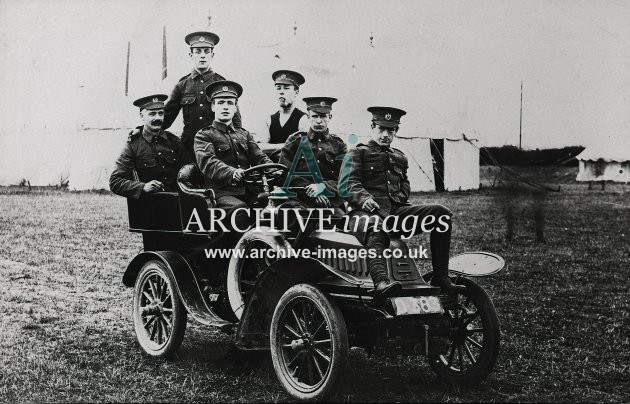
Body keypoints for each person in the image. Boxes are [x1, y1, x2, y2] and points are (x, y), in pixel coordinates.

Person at [339, 106, 465, 297]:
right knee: (375, 226)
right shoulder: (357, 153)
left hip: (395, 215)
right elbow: (347, 184)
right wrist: (365, 199)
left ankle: (441, 277)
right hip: (363, 215)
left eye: (391, 131)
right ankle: (381, 282)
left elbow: (404, 185)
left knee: (442, 214)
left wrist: (400, 198)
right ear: (372, 127)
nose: (385, 135)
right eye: (381, 129)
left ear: (396, 131)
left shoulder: (399, 157)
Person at [194, 80, 272, 234]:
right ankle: (240, 254)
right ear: (213, 106)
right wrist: (232, 173)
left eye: (230, 103)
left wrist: (272, 168)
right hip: (221, 194)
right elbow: (209, 163)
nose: (225, 106)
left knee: (274, 207)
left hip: (248, 191)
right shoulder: (204, 135)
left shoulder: (244, 134)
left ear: (235, 108)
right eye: (221, 102)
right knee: (240, 210)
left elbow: (260, 157)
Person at [162, 31, 242, 159]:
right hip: (190, 148)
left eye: (206, 51)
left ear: (212, 55)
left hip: (218, 147)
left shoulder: (221, 83)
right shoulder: (182, 85)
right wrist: (142, 130)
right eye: (198, 51)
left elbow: (236, 122)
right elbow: (165, 118)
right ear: (191, 55)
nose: (202, 56)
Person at [110, 94, 188, 199]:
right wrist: (143, 187)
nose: (158, 118)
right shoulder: (133, 145)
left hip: (177, 204)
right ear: (142, 116)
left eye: (161, 113)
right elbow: (115, 181)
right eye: (152, 114)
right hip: (149, 206)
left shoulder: (174, 142)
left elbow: (189, 174)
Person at [278, 97, 347, 214]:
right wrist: (310, 189)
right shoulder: (295, 140)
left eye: (323, 116)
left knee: (343, 224)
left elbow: (343, 179)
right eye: (315, 116)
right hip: (298, 199)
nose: (319, 121)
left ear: (330, 117)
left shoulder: (339, 145)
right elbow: (283, 173)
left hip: (328, 201)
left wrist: (323, 187)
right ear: (308, 117)